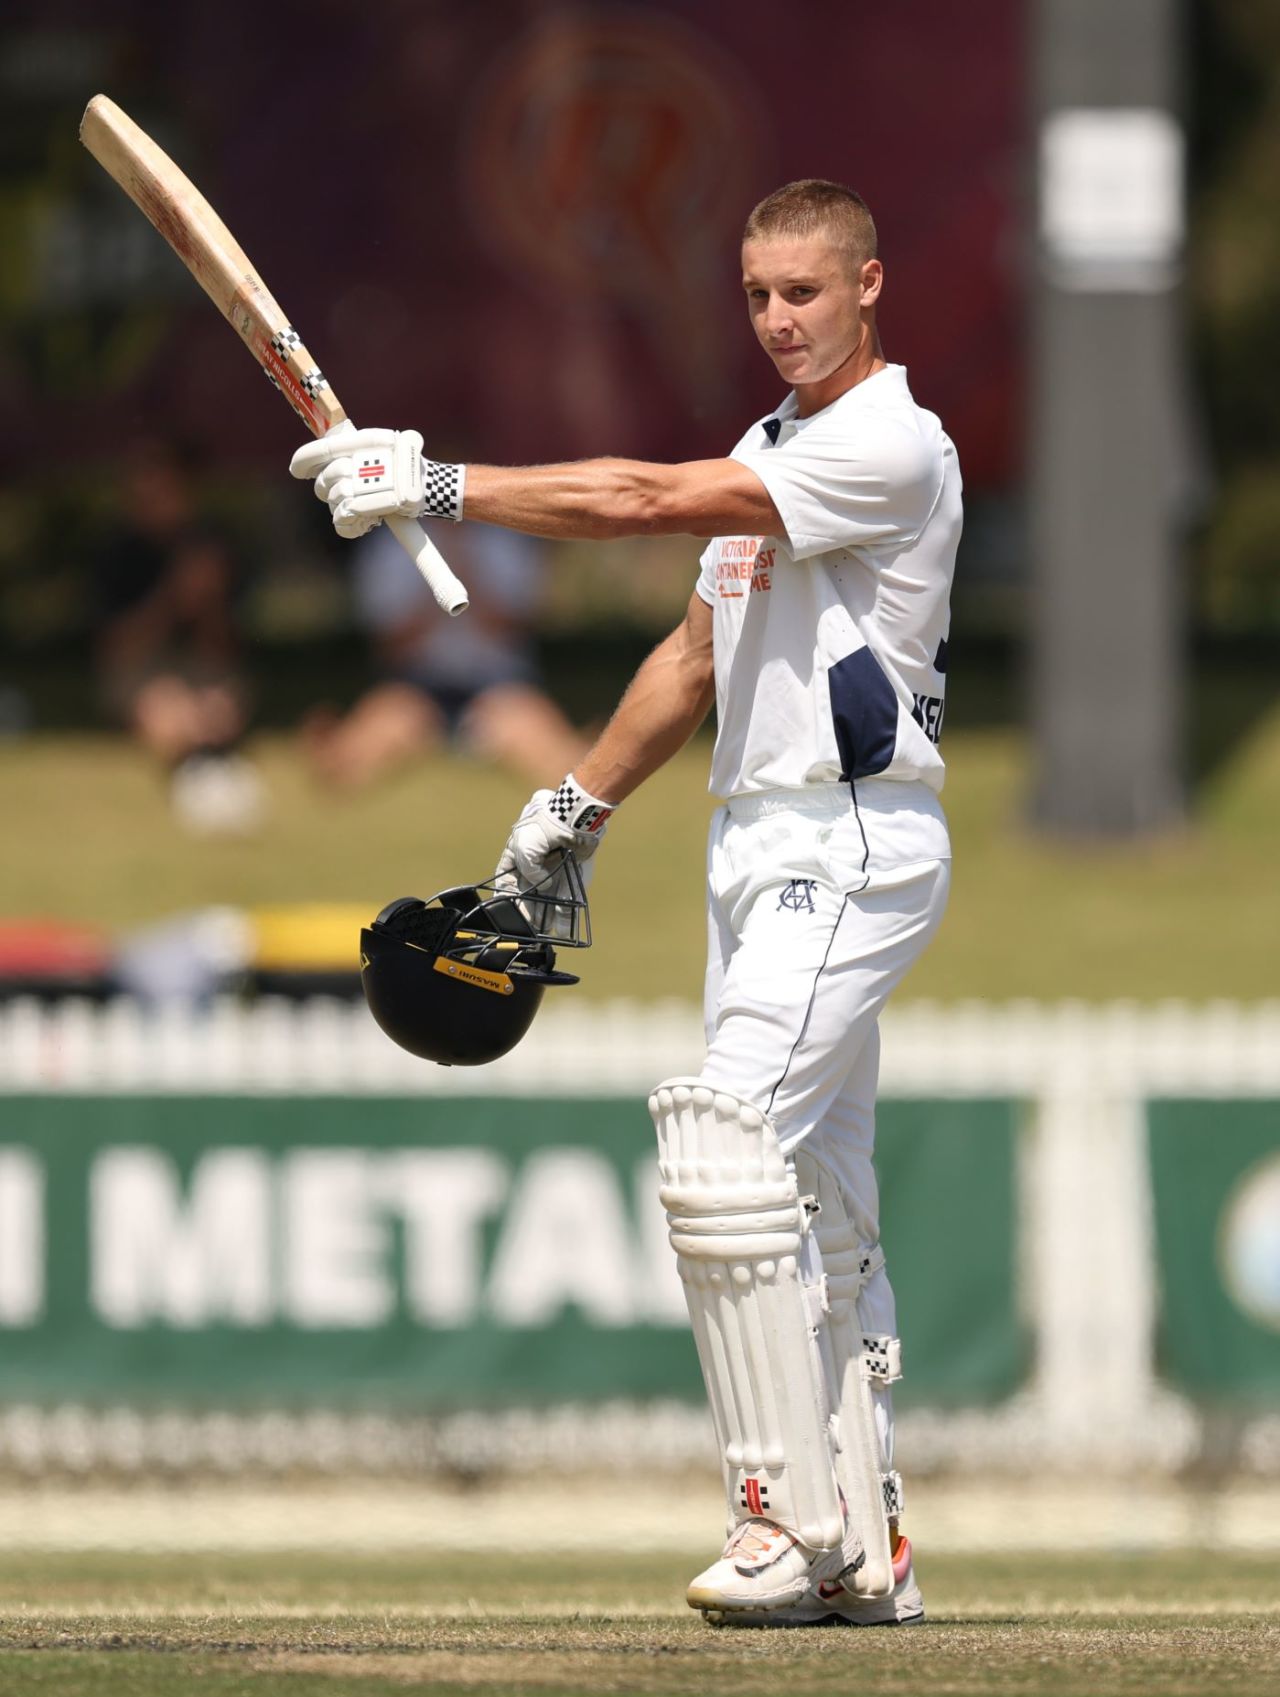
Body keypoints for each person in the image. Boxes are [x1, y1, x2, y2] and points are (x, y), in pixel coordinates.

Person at [292, 179, 959, 1628]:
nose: (777, 318)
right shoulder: (774, 445)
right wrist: (574, 805)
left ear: (867, 286)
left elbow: (638, 497)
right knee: (819, 1204)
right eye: (757, 294)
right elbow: (693, 655)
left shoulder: (889, 442)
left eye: (803, 291)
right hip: (758, 843)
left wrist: (437, 486)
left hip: (850, 837)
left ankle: (777, 1521)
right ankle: (868, 1541)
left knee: (723, 1148)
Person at [302, 518, 584, 790]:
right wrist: (438, 586)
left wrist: (465, 571)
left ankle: (584, 756)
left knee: (548, 752)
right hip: (417, 684)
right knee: (371, 744)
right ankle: (336, 749)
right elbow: (390, 645)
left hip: (497, 683)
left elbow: (516, 631)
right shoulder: (391, 545)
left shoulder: (506, 541)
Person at [93, 439, 264, 835]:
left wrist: (209, 601)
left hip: (199, 664)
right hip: (142, 666)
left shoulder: (212, 545)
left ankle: (212, 771)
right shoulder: (118, 552)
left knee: (219, 711)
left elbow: (225, 649)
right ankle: (200, 774)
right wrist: (173, 596)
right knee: (167, 714)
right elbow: (117, 649)